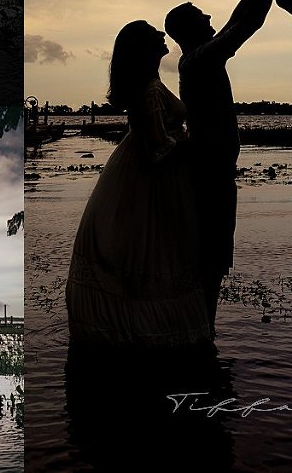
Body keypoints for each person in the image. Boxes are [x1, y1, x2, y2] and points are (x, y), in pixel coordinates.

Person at [65, 21, 210, 347]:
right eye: (154, 33)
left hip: (145, 175)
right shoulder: (150, 92)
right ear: (145, 49)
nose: (162, 35)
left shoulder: (152, 84)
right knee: (152, 249)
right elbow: (157, 149)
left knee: (151, 249)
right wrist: (193, 145)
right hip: (151, 180)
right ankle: (143, 328)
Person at [164, 0, 276, 335]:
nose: (209, 17)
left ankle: (200, 330)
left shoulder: (201, 57)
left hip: (212, 169)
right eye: (200, 15)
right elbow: (246, 25)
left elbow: (235, 20)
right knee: (210, 258)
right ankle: (201, 334)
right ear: (188, 29)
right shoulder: (199, 61)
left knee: (211, 257)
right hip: (210, 172)